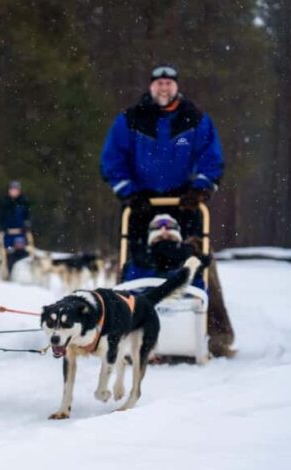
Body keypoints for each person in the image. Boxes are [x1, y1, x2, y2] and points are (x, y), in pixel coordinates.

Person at [100, 63, 235, 357]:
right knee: (134, 262)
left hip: (184, 203)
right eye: (159, 83)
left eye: (169, 83)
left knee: (198, 263)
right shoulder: (131, 119)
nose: (164, 88)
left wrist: (200, 188)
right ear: (151, 87)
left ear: (176, 87)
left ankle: (215, 335)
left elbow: (211, 158)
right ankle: (123, 328)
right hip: (140, 204)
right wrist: (128, 192)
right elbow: (112, 159)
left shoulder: (195, 118)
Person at [0, 181, 32, 277]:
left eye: (16, 190)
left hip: (20, 233)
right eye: (12, 190)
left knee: (22, 252)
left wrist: (27, 224)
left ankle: (21, 273)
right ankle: (5, 272)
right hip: (7, 233)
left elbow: (27, 216)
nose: (14, 192)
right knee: (7, 252)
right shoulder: (3, 202)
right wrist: (2, 227)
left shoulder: (24, 202)